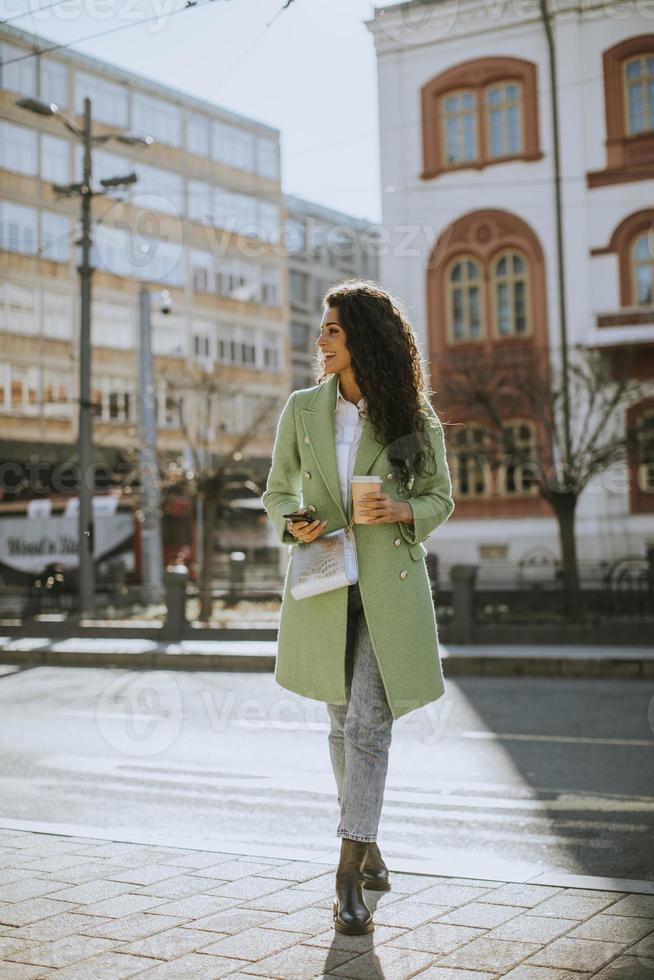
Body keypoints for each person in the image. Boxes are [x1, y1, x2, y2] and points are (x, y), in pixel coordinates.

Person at [262, 280, 455, 935]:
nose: (321, 340)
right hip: (323, 580)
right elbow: (276, 493)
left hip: (389, 587)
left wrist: (404, 509)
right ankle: (367, 843)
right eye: (322, 330)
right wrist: (297, 522)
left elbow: (439, 497)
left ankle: (346, 878)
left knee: (369, 725)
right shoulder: (302, 409)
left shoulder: (411, 415)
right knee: (341, 724)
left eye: (333, 330)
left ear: (362, 339)